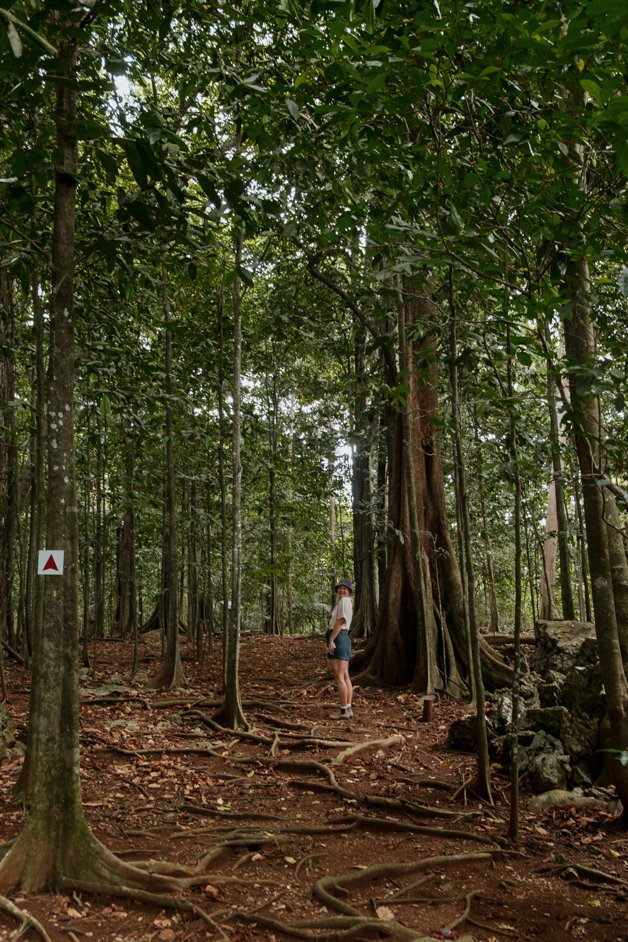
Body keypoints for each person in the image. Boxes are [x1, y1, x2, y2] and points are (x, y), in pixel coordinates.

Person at [326, 578, 353, 720]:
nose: (342, 590)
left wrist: (331, 639)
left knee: (339, 677)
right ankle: (348, 709)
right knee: (345, 676)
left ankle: (343, 712)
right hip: (344, 637)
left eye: (345, 588)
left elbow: (341, 620)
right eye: (340, 588)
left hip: (339, 637)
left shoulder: (344, 601)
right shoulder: (346, 602)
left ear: (349, 591)